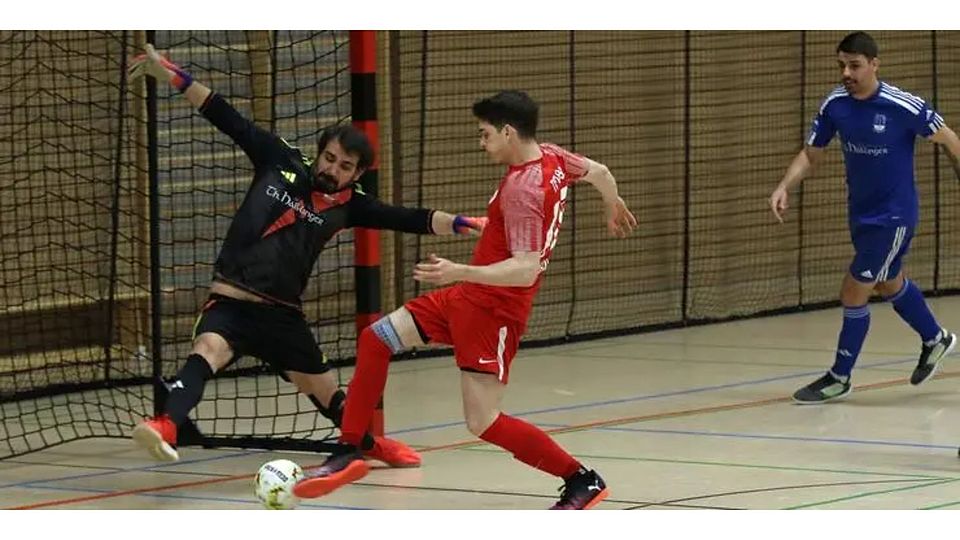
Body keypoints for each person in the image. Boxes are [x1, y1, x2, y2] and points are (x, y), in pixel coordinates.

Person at [125, 44, 486, 465]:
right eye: (329, 158)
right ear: (320, 153)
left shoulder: (353, 205)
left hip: (283, 318)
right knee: (206, 349)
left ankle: (370, 445)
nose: (333, 169)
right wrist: (173, 75)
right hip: (231, 303)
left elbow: (410, 217)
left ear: (357, 173)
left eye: (345, 166)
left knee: (326, 392)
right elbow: (225, 115)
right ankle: (165, 425)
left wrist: (462, 222)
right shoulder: (279, 159)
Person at [291, 90, 637, 509]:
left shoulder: (525, 189)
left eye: (485, 133)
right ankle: (349, 448)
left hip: (494, 311)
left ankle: (581, 478)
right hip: (467, 297)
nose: (481, 142)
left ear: (508, 132)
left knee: (483, 422)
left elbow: (527, 269)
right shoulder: (552, 157)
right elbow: (600, 172)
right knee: (376, 338)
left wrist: (460, 271)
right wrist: (612, 202)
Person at [769, 32, 960, 404]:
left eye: (854, 66)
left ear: (874, 65)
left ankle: (839, 377)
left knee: (853, 289)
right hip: (861, 214)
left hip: (895, 216)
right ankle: (936, 339)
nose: (846, 73)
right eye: (841, 65)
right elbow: (810, 154)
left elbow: (951, 140)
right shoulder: (835, 105)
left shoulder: (902, 105)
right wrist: (784, 187)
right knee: (889, 282)